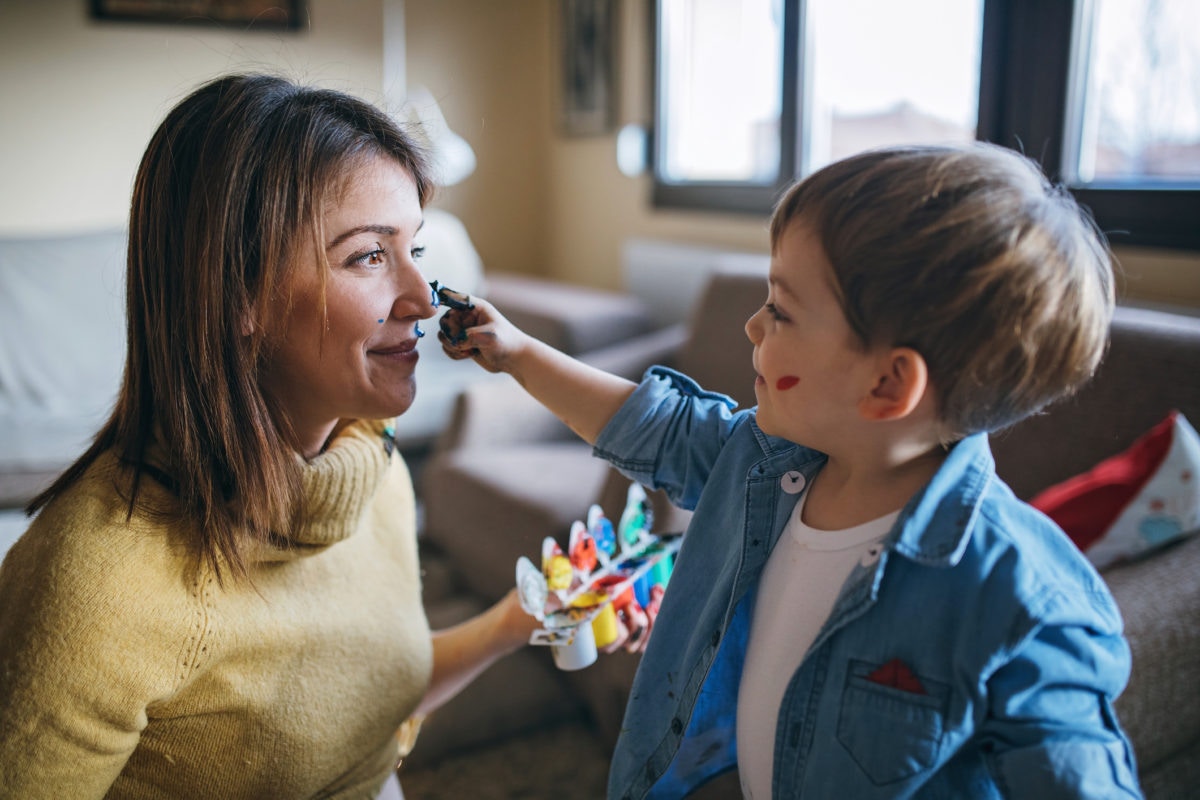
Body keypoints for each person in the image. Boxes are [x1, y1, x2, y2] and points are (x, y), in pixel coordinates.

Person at [437, 143, 1143, 798]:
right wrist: (518, 354)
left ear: (888, 386)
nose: (752, 326)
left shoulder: (1021, 604)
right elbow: (655, 425)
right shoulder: (760, 465)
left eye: (780, 309)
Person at [0, 73, 537, 800]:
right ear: (237, 294)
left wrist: (517, 619)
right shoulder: (97, 585)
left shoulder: (371, 467)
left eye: (414, 248)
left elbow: (364, 699)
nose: (421, 301)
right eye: (368, 256)